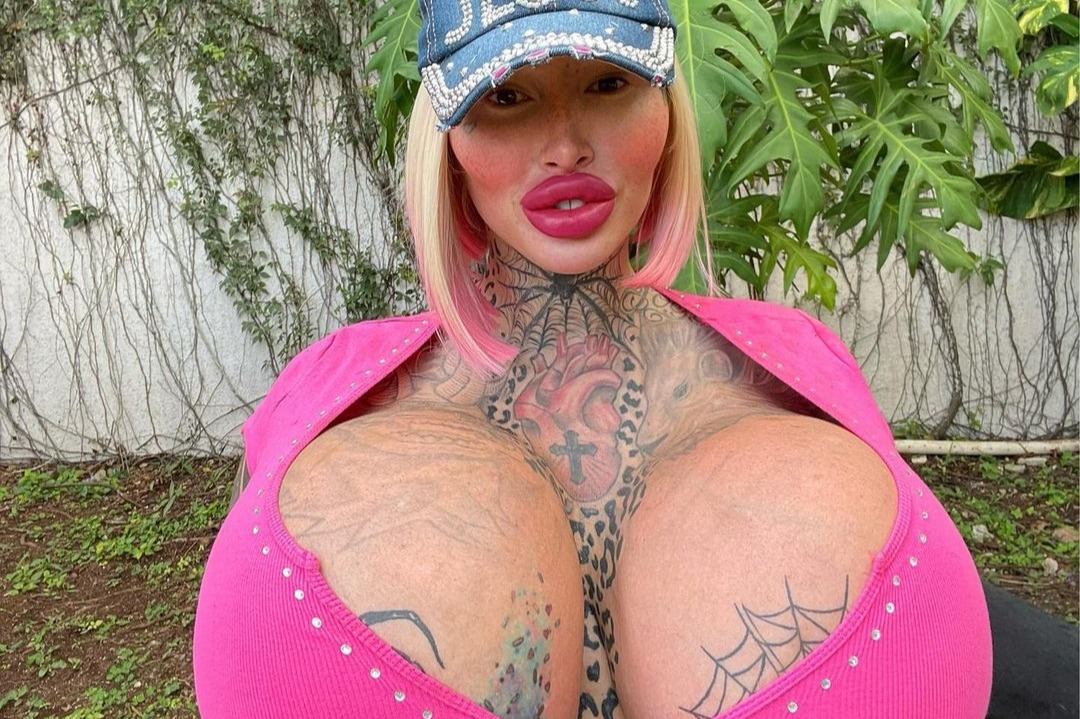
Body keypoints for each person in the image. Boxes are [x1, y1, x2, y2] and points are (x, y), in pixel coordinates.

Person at [192, 0, 997, 716]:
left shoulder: (797, 362)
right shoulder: (326, 390)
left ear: (668, 112)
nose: (566, 146)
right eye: (506, 96)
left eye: (608, 83)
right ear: (448, 142)